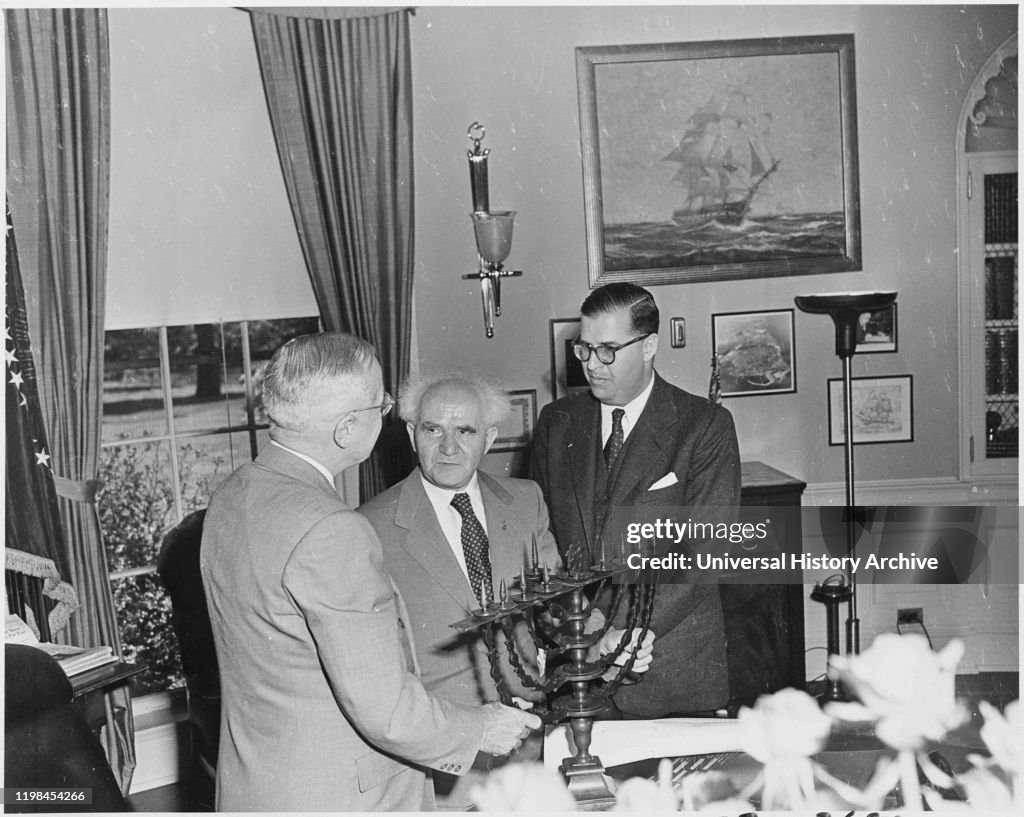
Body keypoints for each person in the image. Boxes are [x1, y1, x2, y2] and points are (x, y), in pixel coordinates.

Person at [199, 333, 539, 812]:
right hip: (341, 796)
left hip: (260, 787)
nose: (386, 415)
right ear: (346, 429)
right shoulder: (335, 530)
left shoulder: (233, 495)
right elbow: (387, 710)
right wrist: (480, 727)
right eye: (381, 405)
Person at [358, 371, 653, 803]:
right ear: (409, 433)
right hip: (440, 768)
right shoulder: (370, 525)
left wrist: (601, 641)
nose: (449, 447)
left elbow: (558, 603)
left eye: (465, 431)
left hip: (528, 749)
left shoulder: (525, 500)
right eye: (432, 429)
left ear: (490, 437)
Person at [531, 283, 741, 719]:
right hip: (578, 667)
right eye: (584, 349)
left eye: (608, 350)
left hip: (671, 669)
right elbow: (542, 537)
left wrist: (626, 635)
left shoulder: (704, 426)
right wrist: (588, 635)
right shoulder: (557, 423)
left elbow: (705, 554)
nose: (592, 365)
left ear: (649, 347)